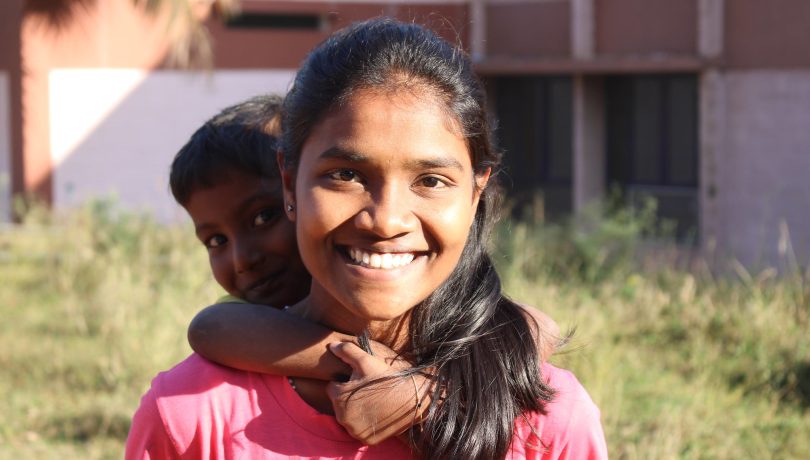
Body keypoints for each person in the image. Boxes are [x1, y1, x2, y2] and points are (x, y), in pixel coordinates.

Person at [127, 18, 606, 459]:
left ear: (477, 193)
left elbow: (533, 329)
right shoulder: (189, 416)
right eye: (346, 174)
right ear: (290, 181)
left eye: (431, 180)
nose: (386, 221)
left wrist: (431, 393)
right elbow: (210, 328)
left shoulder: (549, 423)